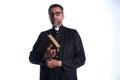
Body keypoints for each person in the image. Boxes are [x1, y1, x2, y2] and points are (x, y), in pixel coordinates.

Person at [29, 4, 86, 80]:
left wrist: (60, 63)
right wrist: (44, 61)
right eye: (51, 14)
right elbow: (32, 57)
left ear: (63, 16)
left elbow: (81, 59)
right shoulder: (43, 35)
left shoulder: (73, 34)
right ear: (49, 17)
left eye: (57, 13)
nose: (54, 17)